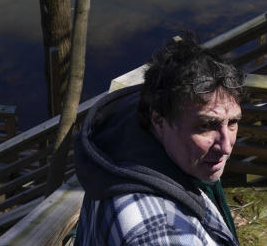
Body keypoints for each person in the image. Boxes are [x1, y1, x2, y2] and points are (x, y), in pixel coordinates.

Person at [73, 37, 245, 245]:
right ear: (158, 120)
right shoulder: (162, 234)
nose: (226, 146)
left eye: (233, 122)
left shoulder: (121, 148)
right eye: (206, 125)